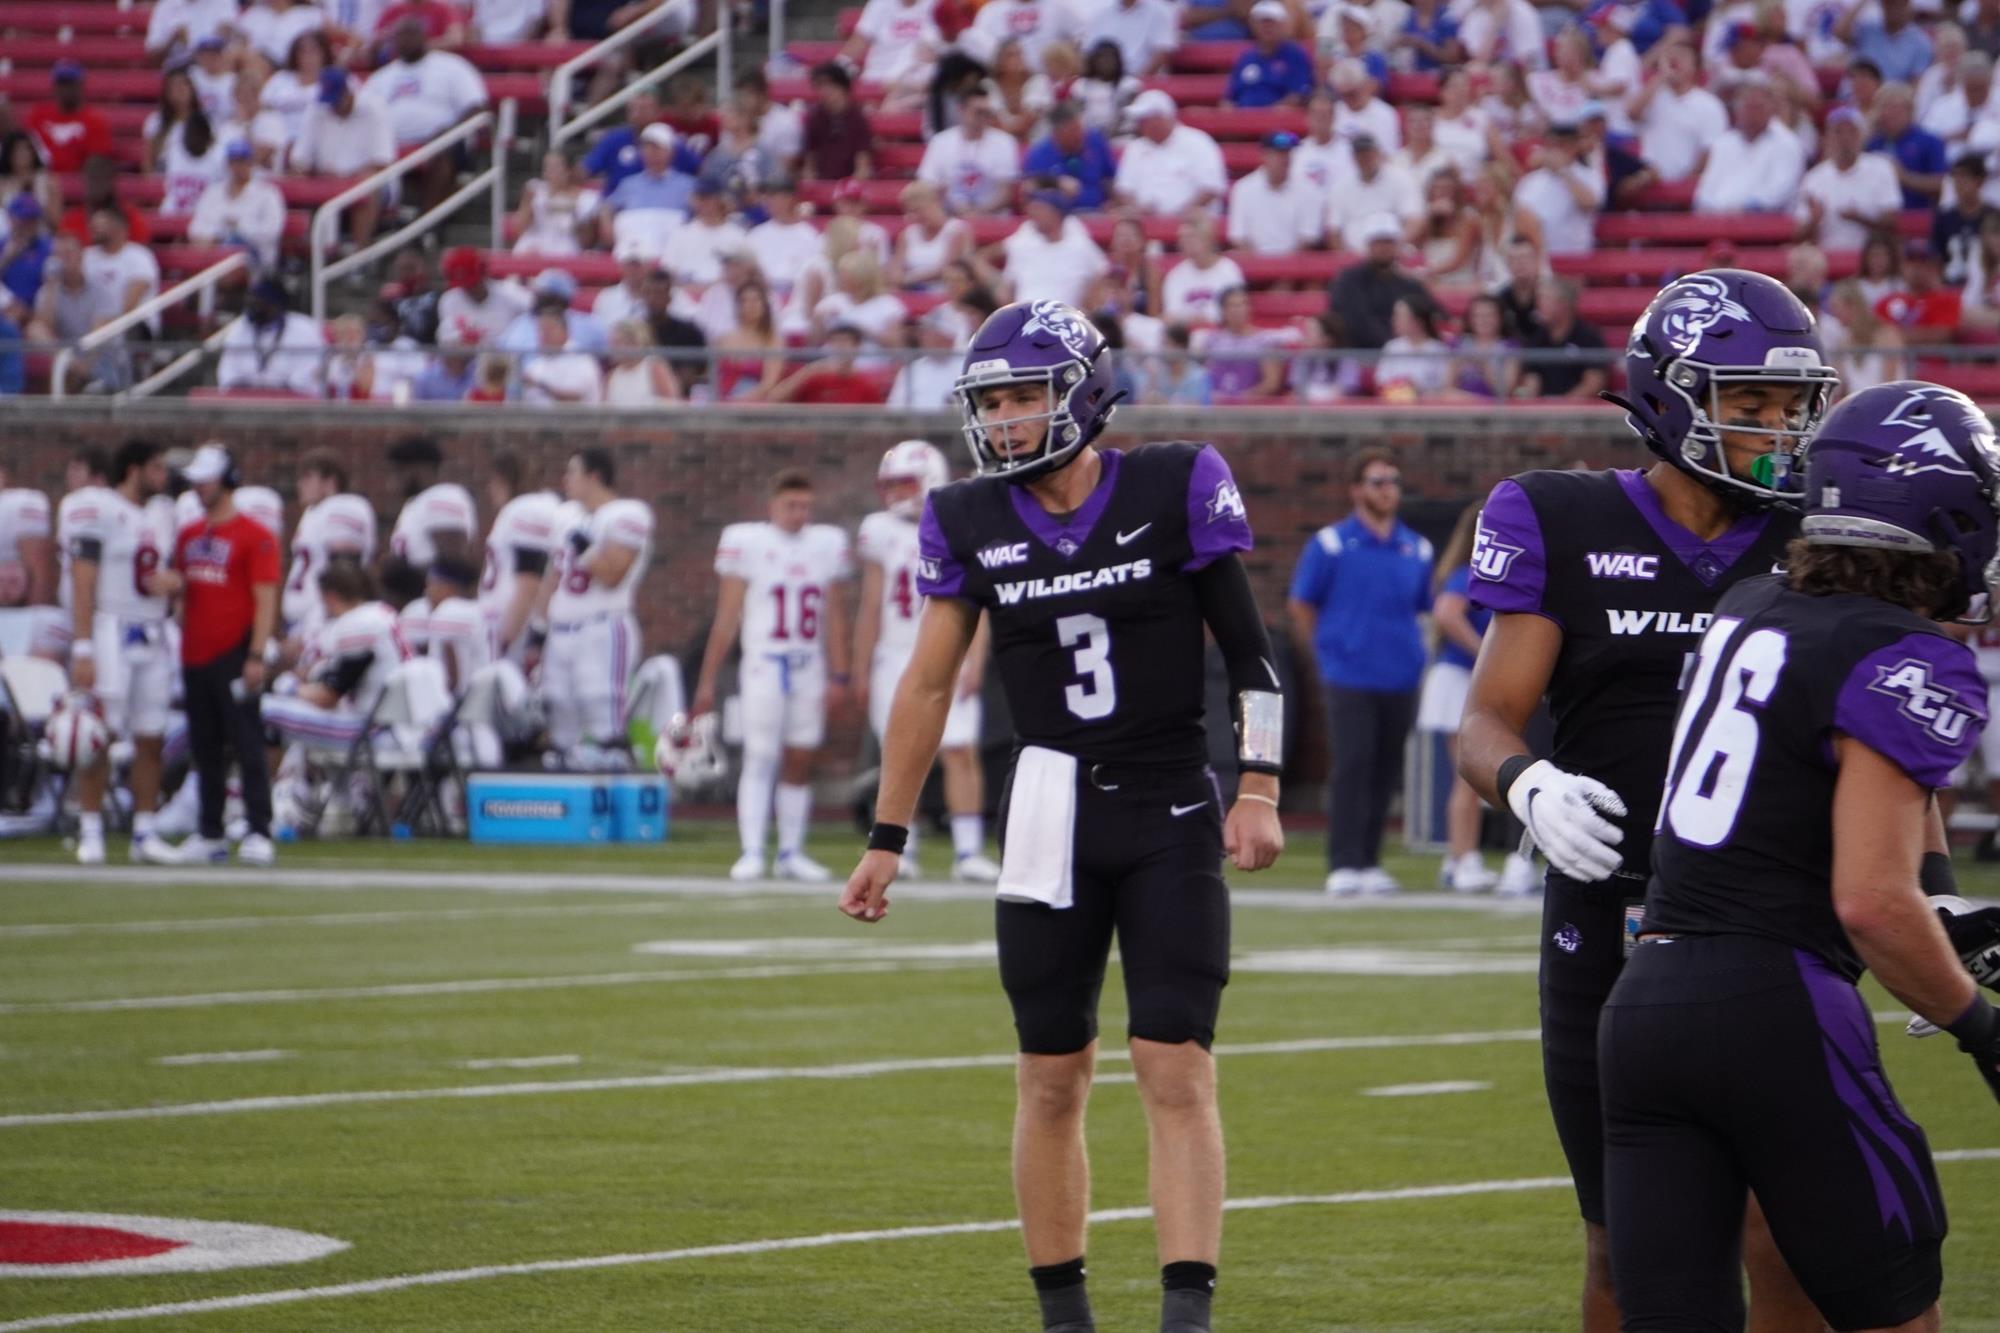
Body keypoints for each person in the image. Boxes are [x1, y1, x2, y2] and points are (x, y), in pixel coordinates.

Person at [839, 298, 1285, 1333]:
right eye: (987, 401)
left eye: (1020, 396)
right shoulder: (965, 516)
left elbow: (1248, 654)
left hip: (1169, 797)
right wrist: (885, 837)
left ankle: (1185, 1313)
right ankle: (1064, 1317)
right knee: (1048, 1071)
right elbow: (922, 686)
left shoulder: (1176, 482)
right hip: (1045, 810)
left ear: (1081, 393)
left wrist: (1256, 784)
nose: (1000, 420)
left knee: (1173, 1062)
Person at [1458, 269, 1839, 1333]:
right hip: (1607, 922)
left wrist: (1927, 888)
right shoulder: (1558, 516)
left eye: (1785, 408)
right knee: (1621, 1246)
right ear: (1669, 398)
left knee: (1784, 1235)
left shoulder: (1817, 535)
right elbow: (1484, 718)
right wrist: (1523, 783)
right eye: (1745, 405)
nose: (1774, 432)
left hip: (1775, 924)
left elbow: (1868, 737)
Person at [1601, 380, 2000, 1332]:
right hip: (1776, 1004)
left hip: (1643, 1006)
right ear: (1935, 512)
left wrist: (1938, 900)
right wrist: (1982, 1029)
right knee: (1893, 1311)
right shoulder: (1907, 655)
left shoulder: (1749, 602)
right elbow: (1868, 899)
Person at [693, 470, 854, 883]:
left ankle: (790, 851)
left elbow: (834, 616)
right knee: (761, 755)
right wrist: (708, 679)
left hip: (808, 665)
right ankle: (751, 850)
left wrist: (840, 674)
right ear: (772, 506)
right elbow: (727, 618)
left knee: (801, 757)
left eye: (805, 505)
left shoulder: (826, 544)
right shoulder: (748, 543)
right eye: (791, 505)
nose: (800, 513)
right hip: (765, 662)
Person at [853, 441, 1002, 882]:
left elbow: (979, 601)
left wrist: (976, 658)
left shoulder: (958, 519)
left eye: (906, 482)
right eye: (892, 484)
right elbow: (870, 604)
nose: (897, 492)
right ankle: (903, 846)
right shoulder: (879, 529)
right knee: (898, 751)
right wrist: (861, 666)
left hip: (949, 644)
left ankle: (968, 850)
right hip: (894, 654)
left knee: (959, 750)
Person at [1289, 449, 1434, 895]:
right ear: (1356, 490)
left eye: (1392, 480)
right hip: (1348, 675)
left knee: (1385, 769)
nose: (1387, 489)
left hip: (1400, 675)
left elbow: (1423, 610)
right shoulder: (1331, 544)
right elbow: (1302, 604)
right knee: (1352, 764)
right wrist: (1327, 652)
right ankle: (1344, 861)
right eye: (1377, 481)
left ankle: (1370, 861)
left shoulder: (1417, 547)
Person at [66, 440, 181, 867]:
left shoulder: (164, 513)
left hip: (152, 629)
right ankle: (90, 827)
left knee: (151, 735)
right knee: (101, 734)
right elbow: (82, 581)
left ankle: (144, 830)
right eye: (155, 467)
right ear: (132, 469)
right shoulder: (100, 509)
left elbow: (161, 570)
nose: (162, 476)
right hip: (112, 625)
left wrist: (171, 584)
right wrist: (83, 647)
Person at [167, 444, 281, 866]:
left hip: (235, 651)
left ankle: (257, 828)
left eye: (207, 479)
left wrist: (256, 654)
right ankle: (210, 830)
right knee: (205, 747)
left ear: (227, 479)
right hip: (195, 651)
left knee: (247, 742)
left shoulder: (255, 536)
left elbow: (265, 597)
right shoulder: (189, 535)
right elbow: (184, 591)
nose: (199, 487)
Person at [1415, 503, 1514, 893]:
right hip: (1456, 679)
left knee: (1474, 778)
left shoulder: (1495, 573)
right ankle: (1463, 861)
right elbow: (1446, 613)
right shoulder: (1467, 572)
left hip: (1466, 680)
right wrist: (1484, 654)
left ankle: (1455, 859)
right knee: (1468, 779)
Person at [536, 448, 653, 769]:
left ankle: (616, 806)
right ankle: (565, 807)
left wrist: (586, 550)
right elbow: (553, 576)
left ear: (594, 477)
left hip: (602, 627)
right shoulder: (567, 516)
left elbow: (613, 574)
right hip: (561, 631)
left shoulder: (626, 514)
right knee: (558, 715)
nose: (565, 480)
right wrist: (537, 629)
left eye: (573, 472)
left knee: (603, 716)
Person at [260, 561, 410, 752]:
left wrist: (289, 688)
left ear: (330, 597)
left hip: (374, 731)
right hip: (393, 725)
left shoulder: (359, 623)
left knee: (262, 708)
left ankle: (253, 779)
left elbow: (327, 697)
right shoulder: (381, 613)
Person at [284, 450, 378, 653]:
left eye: (308, 477)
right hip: (304, 620)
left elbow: (344, 574)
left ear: (330, 481)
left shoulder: (343, 507)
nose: (300, 484)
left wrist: (318, 625)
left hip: (325, 620)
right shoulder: (313, 513)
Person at [479, 451, 559, 663]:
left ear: (506, 480)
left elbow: (529, 585)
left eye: (494, 481)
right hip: (511, 627)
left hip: (516, 631)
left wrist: (505, 640)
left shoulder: (527, 509)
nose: (489, 489)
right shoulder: (520, 511)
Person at [216, 277, 327, 398]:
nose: (253, 306)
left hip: (293, 407)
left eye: (259, 301)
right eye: (251, 300)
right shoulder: (241, 328)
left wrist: (276, 391)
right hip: (245, 405)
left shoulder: (304, 328)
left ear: (275, 304)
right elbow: (228, 372)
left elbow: (309, 374)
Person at [386, 435, 476, 567]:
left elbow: (453, 565)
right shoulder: (417, 504)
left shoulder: (443, 496)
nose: (394, 480)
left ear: (421, 469)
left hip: (429, 587)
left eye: (399, 471)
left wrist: (404, 574)